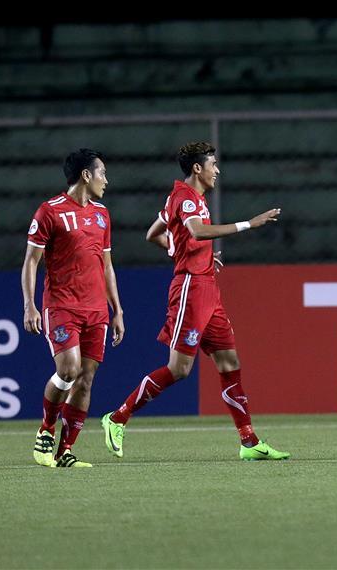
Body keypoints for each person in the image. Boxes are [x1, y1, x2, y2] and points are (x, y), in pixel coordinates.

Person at [100, 141, 289, 461]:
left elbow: (154, 233)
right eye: (213, 164)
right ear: (198, 168)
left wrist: (186, 252)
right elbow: (197, 231)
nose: (218, 170)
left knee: (230, 362)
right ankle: (117, 418)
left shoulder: (187, 197)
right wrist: (249, 224)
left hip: (207, 287)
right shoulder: (187, 199)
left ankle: (249, 441)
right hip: (190, 289)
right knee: (179, 369)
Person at [22, 148, 125, 468]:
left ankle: (66, 450)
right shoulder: (49, 211)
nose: (106, 180)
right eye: (102, 173)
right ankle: (45, 430)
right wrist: (29, 305)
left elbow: (106, 265)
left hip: (97, 309)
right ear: (86, 175)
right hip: (62, 305)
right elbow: (31, 261)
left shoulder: (102, 214)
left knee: (86, 378)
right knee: (68, 369)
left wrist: (117, 309)